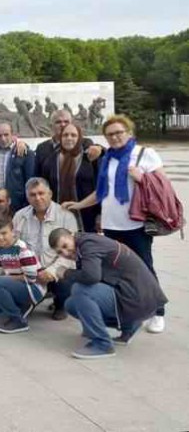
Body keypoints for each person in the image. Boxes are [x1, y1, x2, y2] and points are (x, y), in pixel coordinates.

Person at [62, 114, 169, 333]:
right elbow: (101, 192)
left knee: (144, 268)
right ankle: (126, 311)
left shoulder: (144, 154)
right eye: (110, 134)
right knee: (114, 272)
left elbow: (163, 185)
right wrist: (79, 204)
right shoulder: (108, 158)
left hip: (136, 225)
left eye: (119, 132)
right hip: (111, 226)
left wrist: (142, 178)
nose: (114, 137)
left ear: (128, 133)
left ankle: (157, 312)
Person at [49, 229, 168, 359]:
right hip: (140, 300)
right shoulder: (85, 244)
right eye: (60, 252)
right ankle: (128, 326)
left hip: (138, 299)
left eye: (65, 246)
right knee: (71, 304)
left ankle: (102, 344)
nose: (65, 253)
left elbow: (91, 277)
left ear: (72, 235)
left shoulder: (88, 244)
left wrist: (66, 273)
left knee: (80, 290)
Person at [13, 178, 79, 320]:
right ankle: (33, 298)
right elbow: (15, 248)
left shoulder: (66, 216)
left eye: (41, 193)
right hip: (31, 272)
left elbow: (71, 254)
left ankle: (61, 305)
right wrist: (27, 271)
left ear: (50, 194)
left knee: (66, 277)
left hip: (55, 271)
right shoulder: (20, 216)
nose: (38, 198)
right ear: (27, 197)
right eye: (33, 194)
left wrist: (51, 272)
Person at [0, 216, 46, 334]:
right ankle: (20, 306)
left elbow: (31, 278)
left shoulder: (22, 249)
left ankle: (18, 320)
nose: (0, 237)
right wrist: (2, 281)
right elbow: (1, 271)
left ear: (13, 232)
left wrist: (4, 280)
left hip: (34, 289)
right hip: (16, 286)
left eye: (4, 233)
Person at [44, 124, 100, 232]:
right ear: (60, 137)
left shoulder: (90, 158)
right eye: (65, 135)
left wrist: (100, 214)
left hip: (87, 216)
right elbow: (46, 187)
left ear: (79, 138)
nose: (69, 138)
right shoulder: (51, 160)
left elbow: (100, 186)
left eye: (73, 135)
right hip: (59, 215)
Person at [0, 123, 35, 212]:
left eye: (6, 135)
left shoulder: (25, 153)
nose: (3, 139)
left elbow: (31, 180)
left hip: (17, 204)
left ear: (13, 135)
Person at [35, 109, 102, 176]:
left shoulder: (84, 143)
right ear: (51, 126)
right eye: (58, 122)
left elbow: (98, 152)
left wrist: (100, 148)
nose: (63, 124)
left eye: (66, 122)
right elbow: (37, 176)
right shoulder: (41, 148)